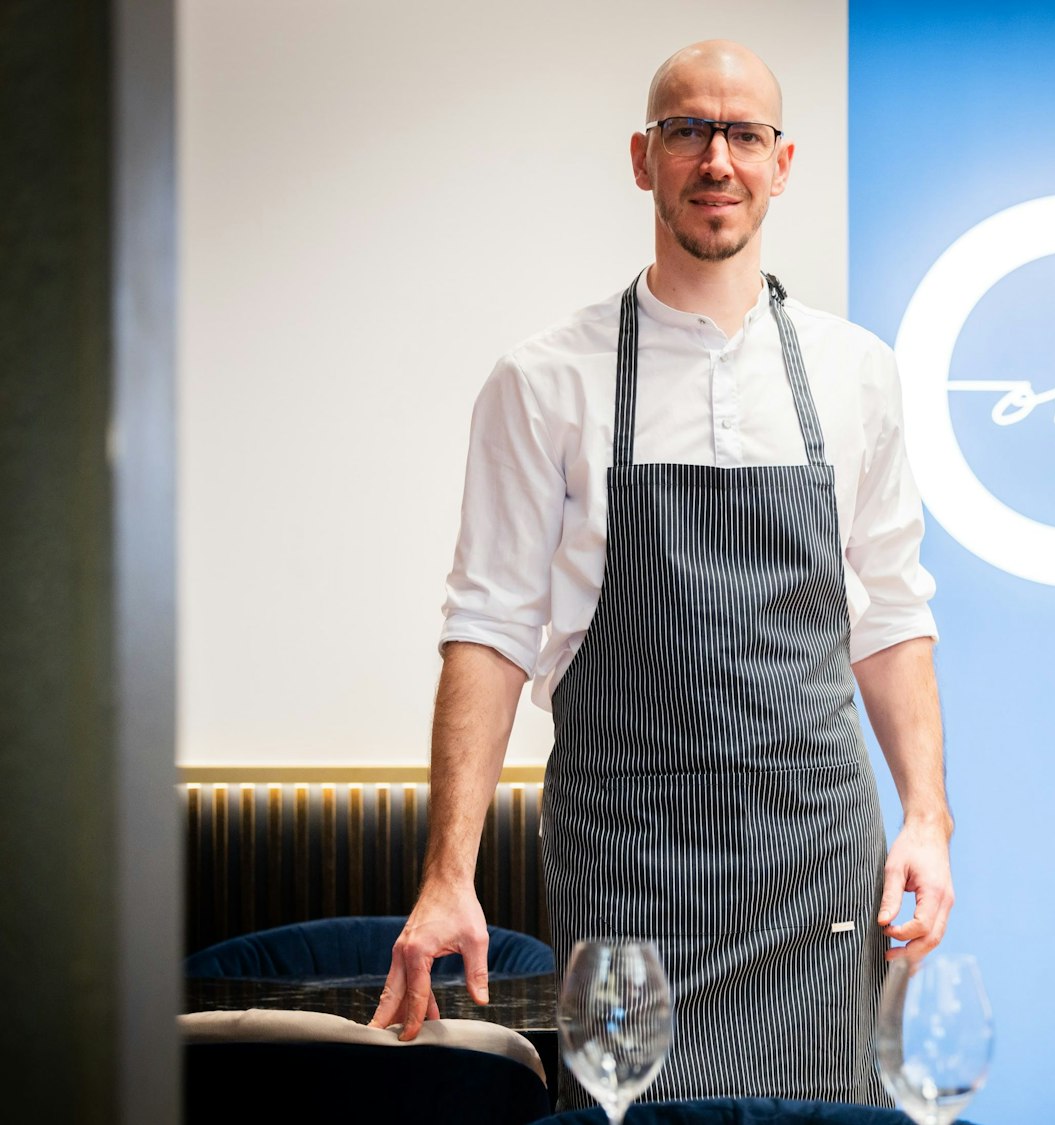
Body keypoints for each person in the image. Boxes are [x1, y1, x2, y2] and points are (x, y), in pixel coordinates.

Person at [367, 40, 954, 1107]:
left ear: (781, 164)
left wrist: (925, 818)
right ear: (644, 159)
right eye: (688, 132)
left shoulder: (857, 373)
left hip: (815, 859)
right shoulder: (543, 380)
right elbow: (488, 631)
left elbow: (890, 616)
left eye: (743, 135)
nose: (716, 160)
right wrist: (448, 873)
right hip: (629, 863)